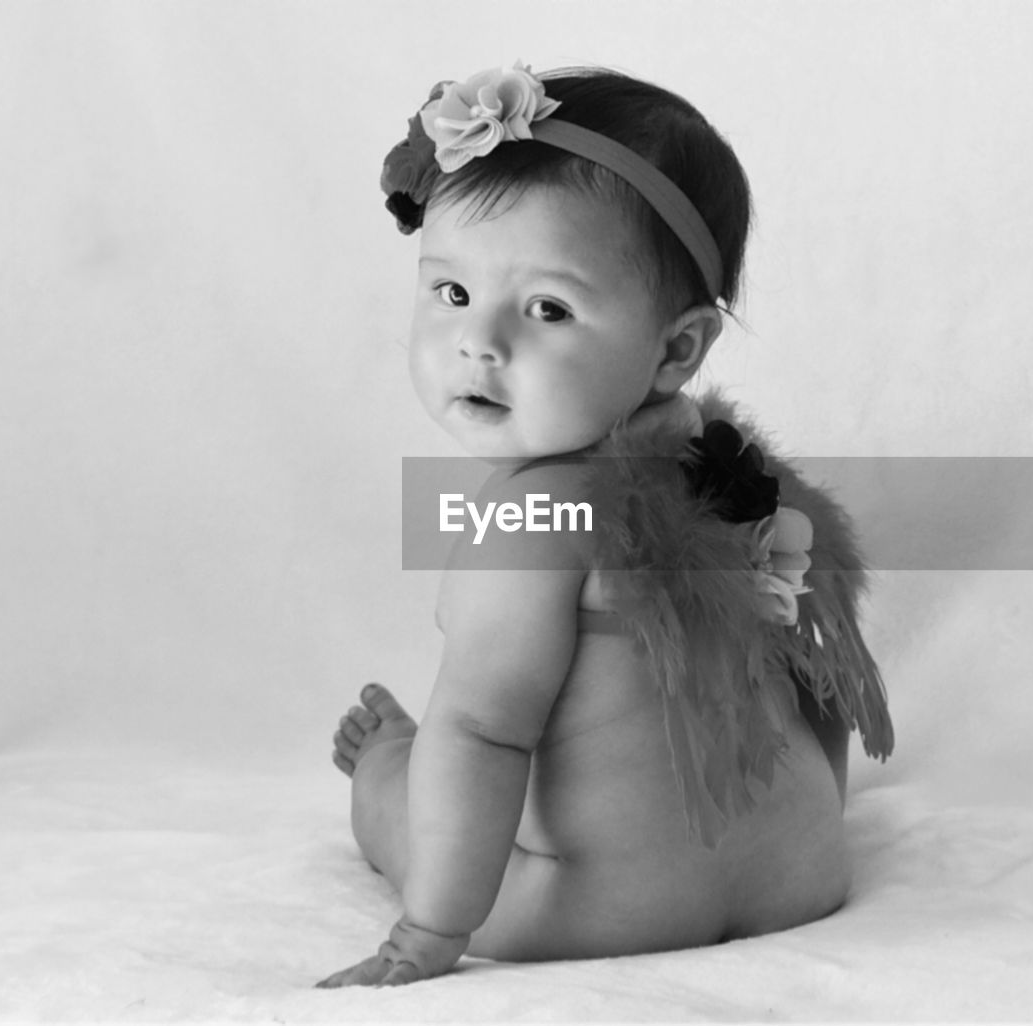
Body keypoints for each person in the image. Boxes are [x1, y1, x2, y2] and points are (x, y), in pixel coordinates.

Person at [316, 62, 892, 989]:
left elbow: (482, 734)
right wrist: (812, 824)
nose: (480, 342)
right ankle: (759, 843)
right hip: (800, 877)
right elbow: (821, 687)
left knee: (410, 785)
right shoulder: (742, 481)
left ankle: (383, 763)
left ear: (676, 348)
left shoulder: (531, 514)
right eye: (452, 293)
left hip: (598, 912)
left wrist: (429, 932)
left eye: (548, 309)